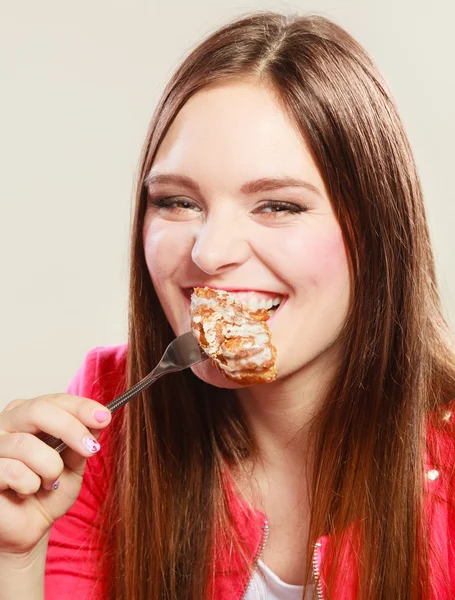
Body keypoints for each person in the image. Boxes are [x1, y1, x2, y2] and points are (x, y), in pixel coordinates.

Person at [1, 11, 454, 600]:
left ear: (375, 231)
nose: (210, 253)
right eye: (177, 201)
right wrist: (15, 558)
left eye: (278, 206)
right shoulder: (105, 424)